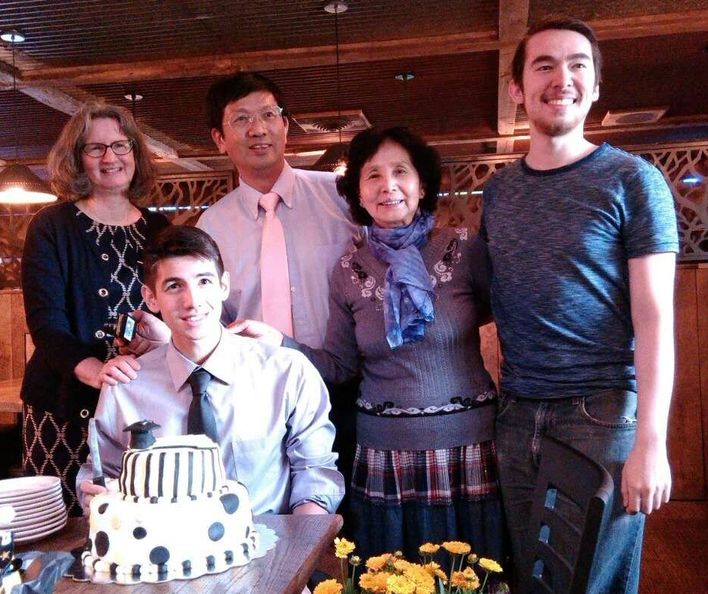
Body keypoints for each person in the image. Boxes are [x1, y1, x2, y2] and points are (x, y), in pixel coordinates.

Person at [240, 127, 506, 563]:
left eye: (401, 172)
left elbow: (505, 315)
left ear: (422, 185)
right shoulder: (348, 269)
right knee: (389, 576)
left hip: (468, 449)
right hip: (386, 457)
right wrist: (279, 342)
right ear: (358, 195)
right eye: (373, 176)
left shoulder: (464, 250)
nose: (388, 186)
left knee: (470, 576)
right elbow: (339, 365)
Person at [480, 16, 679, 593]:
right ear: (517, 88)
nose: (560, 78)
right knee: (532, 577)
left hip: (601, 415)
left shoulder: (633, 180)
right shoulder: (498, 191)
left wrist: (652, 441)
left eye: (577, 66)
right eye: (543, 65)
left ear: (595, 87)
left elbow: (656, 319)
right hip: (515, 413)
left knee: (596, 583)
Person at [77, 225, 344, 519]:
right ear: (151, 298)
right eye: (174, 286)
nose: (192, 301)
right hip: (162, 550)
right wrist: (96, 498)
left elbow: (314, 474)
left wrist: (297, 548)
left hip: (270, 543)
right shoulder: (126, 385)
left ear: (224, 285)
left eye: (204, 281)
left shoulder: (287, 372)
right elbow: (101, 474)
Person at [196, 71, 359, 525]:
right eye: (241, 119)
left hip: (346, 388)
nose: (258, 128)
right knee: (273, 524)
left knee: (352, 530)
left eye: (269, 114)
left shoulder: (341, 199)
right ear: (218, 138)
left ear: (287, 125)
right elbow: (214, 319)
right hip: (260, 405)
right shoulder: (211, 227)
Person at [21, 102, 169, 516]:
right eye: (95, 148)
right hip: (62, 407)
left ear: (136, 154)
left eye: (121, 146)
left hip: (141, 408)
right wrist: (95, 371)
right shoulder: (51, 226)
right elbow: (45, 324)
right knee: (63, 530)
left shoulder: (161, 231)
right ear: (77, 159)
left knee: (137, 526)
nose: (111, 158)